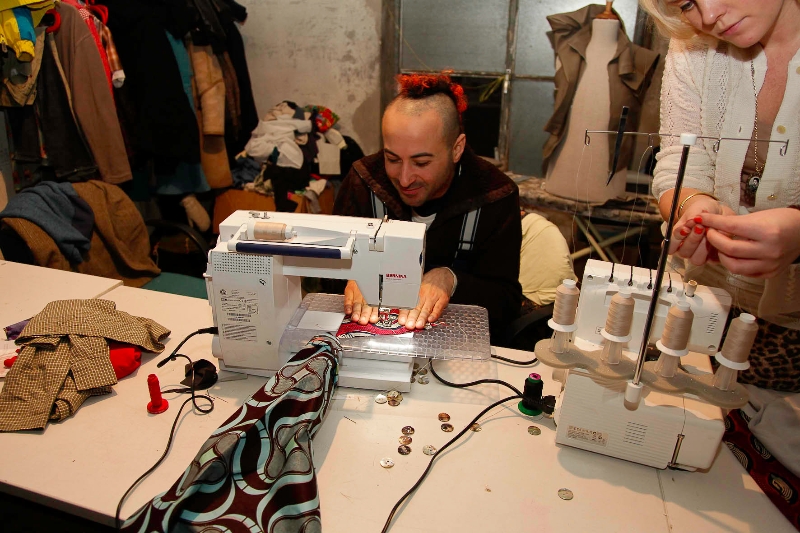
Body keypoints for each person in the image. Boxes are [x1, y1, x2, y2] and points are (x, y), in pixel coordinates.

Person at [639, 0, 800, 523]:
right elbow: (678, 162)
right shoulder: (693, 45)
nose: (707, 14)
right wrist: (693, 207)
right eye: (685, 2)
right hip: (704, 313)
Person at [333, 72, 523, 343]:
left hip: (457, 343)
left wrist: (452, 279)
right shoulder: (363, 181)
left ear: (457, 149)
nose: (405, 179)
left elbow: (506, 303)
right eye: (392, 159)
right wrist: (354, 277)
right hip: (370, 338)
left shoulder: (495, 196)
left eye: (421, 163)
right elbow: (327, 274)